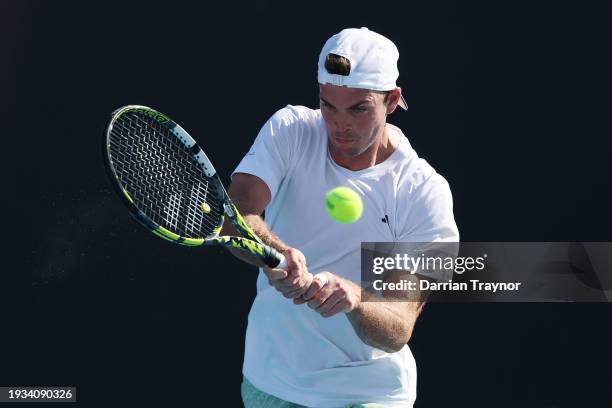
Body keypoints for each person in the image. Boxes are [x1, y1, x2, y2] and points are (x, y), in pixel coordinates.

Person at [223, 27, 459, 408]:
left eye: (358, 108)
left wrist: (355, 299)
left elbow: (398, 327)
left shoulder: (423, 192)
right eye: (328, 105)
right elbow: (236, 216)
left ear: (392, 100)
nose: (339, 124)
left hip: (371, 395)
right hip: (274, 384)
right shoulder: (291, 130)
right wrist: (277, 254)